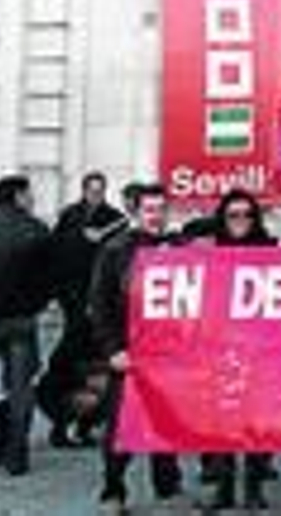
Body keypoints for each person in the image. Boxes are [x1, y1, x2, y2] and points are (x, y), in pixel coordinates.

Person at [90, 183, 184, 513]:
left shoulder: (179, 246)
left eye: (161, 210)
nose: (156, 217)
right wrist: (113, 349)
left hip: (169, 354)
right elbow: (99, 305)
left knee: (167, 421)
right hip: (129, 354)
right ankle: (113, 490)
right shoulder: (116, 250)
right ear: (136, 212)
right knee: (120, 426)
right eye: (149, 210)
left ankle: (168, 486)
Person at [193, 189, 278, 510]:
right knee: (220, 424)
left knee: (255, 424)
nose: (240, 221)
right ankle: (223, 487)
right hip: (218, 348)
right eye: (233, 215)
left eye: (246, 215)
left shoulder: (270, 251)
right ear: (222, 218)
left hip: (258, 350)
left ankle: (254, 488)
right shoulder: (209, 251)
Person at [0, 175, 56, 477]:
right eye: (29, 193)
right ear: (18, 196)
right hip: (22, 320)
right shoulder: (38, 230)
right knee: (21, 392)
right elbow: (50, 280)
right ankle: (16, 457)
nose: (32, 198)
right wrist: (35, 305)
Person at [40, 172, 126, 449]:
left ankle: (87, 424)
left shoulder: (114, 218)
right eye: (92, 191)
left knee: (99, 368)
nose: (96, 196)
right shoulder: (69, 216)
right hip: (74, 301)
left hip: (99, 304)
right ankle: (63, 423)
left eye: (100, 191)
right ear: (83, 190)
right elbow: (56, 255)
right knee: (69, 363)